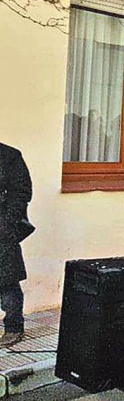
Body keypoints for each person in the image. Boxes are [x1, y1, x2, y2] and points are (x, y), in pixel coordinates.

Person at [0, 143, 33, 348]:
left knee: (6, 281)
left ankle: (13, 327)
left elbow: (22, 192)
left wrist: (5, 223)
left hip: (2, 231)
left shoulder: (9, 155)